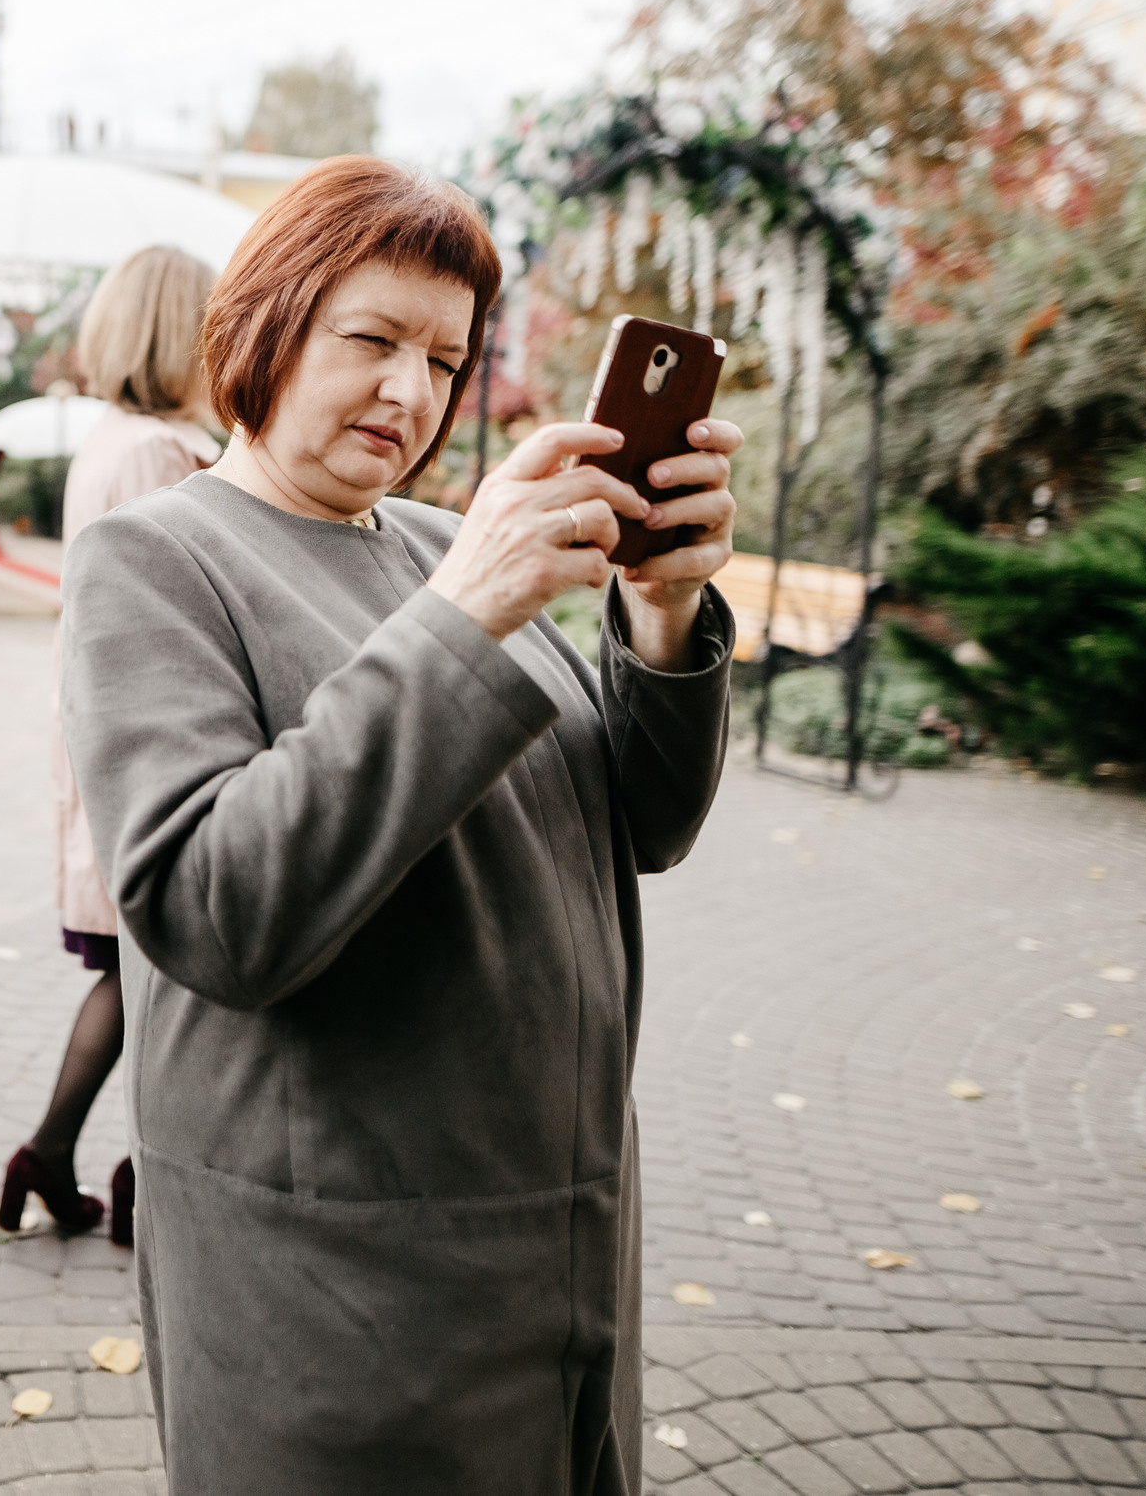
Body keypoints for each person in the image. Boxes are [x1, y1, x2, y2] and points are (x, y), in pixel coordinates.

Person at [61, 157, 742, 1493]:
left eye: (444, 358)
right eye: (371, 339)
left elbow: (640, 826)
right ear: (264, 326)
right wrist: (464, 615)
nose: (410, 393)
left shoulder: (442, 542)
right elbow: (212, 908)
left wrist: (661, 609)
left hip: (561, 1271)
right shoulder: (156, 558)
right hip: (347, 1301)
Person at [1, 246, 221, 1242]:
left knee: (142, 968)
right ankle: (123, 1168)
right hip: (146, 732)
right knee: (157, 961)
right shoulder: (158, 453)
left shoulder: (119, 439)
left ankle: (65, 1157)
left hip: (108, 719)